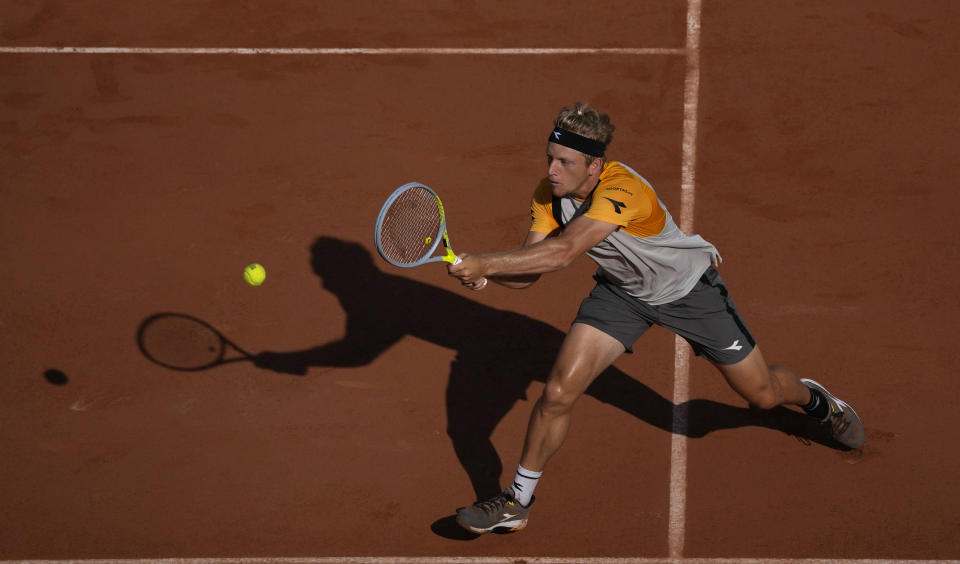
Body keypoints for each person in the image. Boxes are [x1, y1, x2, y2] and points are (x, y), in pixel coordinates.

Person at [446, 101, 865, 534]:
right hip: (622, 295)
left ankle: (818, 402)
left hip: (690, 294)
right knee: (557, 392)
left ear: (595, 166)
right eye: (550, 159)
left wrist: (487, 264)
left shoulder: (621, 189)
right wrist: (486, 277)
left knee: (762, 396)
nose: (552, 171)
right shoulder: (547, 195)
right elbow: (530, 268)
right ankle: (517, 501)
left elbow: (564, 252)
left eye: (565, 163)